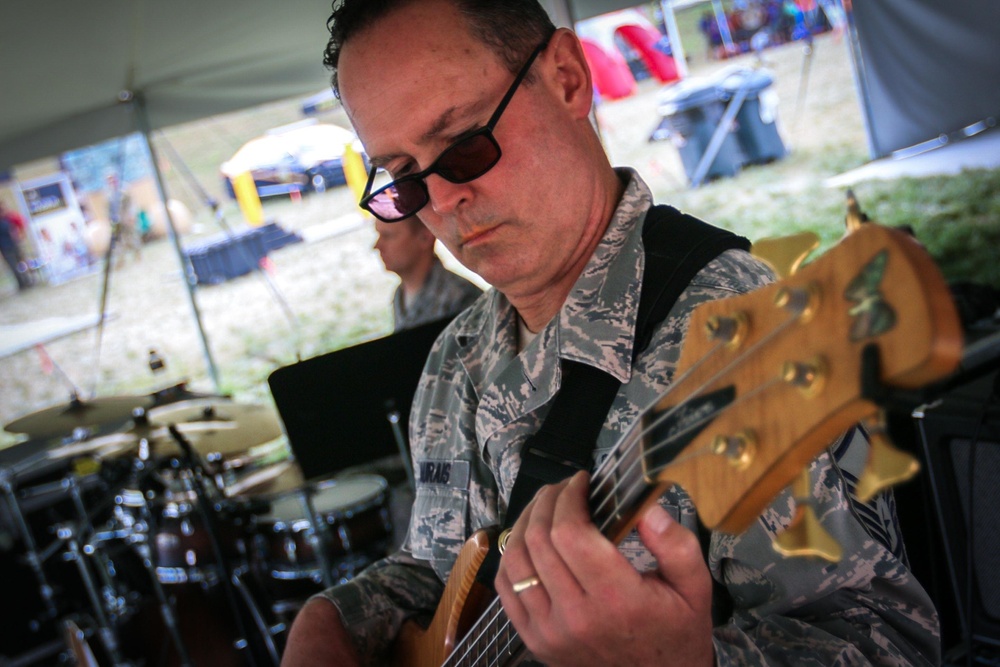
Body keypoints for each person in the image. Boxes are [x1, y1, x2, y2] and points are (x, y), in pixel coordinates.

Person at [282, 1, 941, 665]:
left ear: (567, 78)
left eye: (463, 147)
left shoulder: (732, 330)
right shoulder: (455, 358)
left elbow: (891, 645)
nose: (444, 201)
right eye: (403, 179)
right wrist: (339, 616)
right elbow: (433, 568)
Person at [373, 217, 481, 331]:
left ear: (425, 237)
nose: (377, 246)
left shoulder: (461, 297)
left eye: (388, 236)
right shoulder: (400, 295)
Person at [0, 200, 31, 290]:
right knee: (14, 266)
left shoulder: (9, 218)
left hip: (14, 245)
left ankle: (27, 280)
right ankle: (22, 283)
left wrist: (21, 235)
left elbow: (21, 223)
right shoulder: (5, 221)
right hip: (6, 248)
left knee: (21, 263)